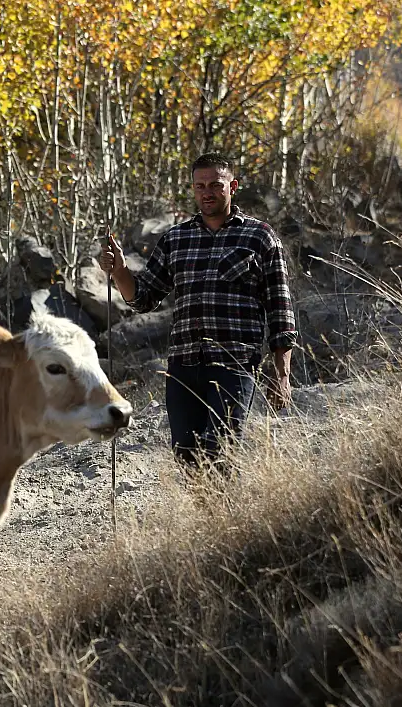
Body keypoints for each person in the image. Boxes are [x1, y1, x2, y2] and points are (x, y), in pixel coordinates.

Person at [99, 152, 297, 471]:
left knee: (219, 450)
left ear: (232, 186)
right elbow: (144, 298)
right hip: (183, 366)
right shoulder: (176, 239)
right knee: (187, 456)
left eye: (216, 185)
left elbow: (280, 309)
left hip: (234, 364)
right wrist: (120, 270)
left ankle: (224, 518)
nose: (207, 192)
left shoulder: (259, 236)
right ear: (193, 189)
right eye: (200, 185)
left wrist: (282, 373)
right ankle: (208, 519)